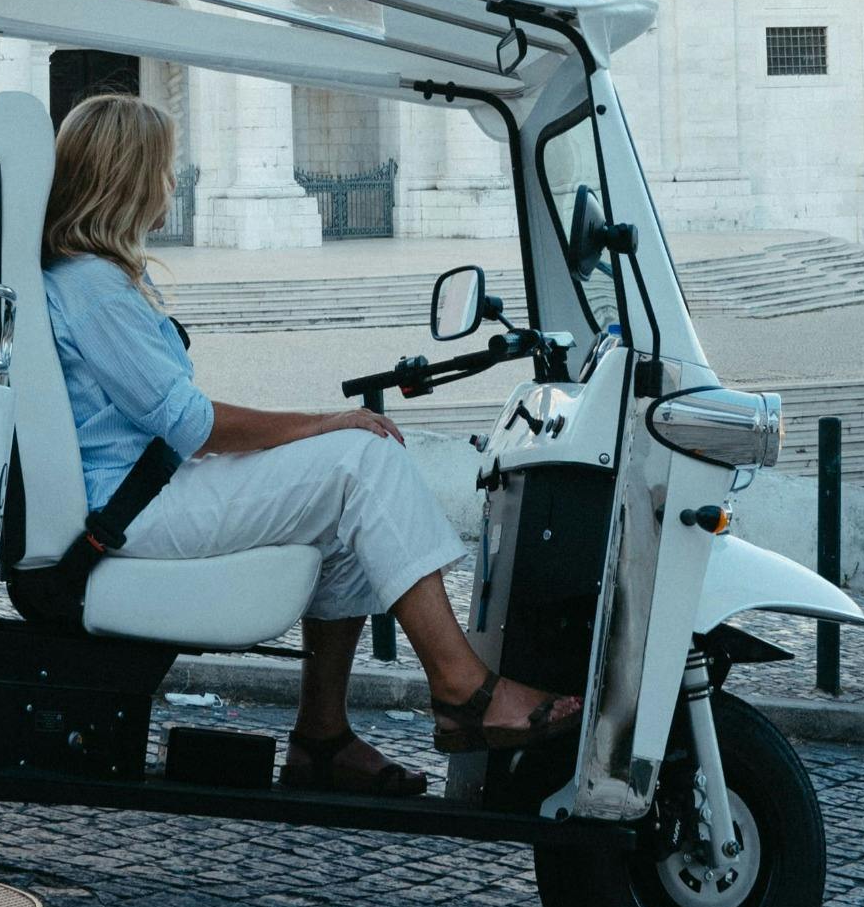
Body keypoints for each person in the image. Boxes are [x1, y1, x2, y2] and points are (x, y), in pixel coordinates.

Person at [38, 93, 579, 798]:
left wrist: (311, 433)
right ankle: (460, 686)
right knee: (361, 457)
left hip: (142, 492)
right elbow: (189, 424)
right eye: (166, 168)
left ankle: (322, 736)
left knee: (348, 496)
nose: (174, 182)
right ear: (130, 178)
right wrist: (318, 424)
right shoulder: (95, 289)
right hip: (136, 510)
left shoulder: (96, 281)